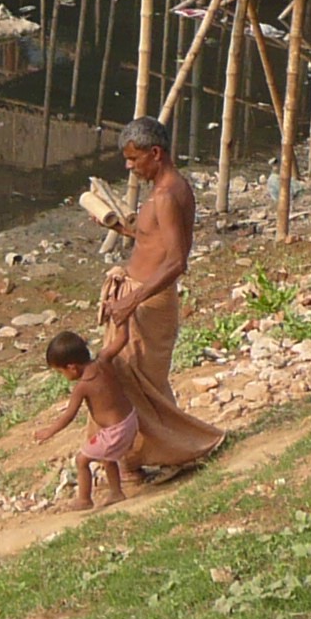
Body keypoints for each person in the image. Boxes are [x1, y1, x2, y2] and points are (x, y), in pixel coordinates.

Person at [96, 115, 227, 472]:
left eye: (133, 159)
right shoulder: (165, 188)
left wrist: (130, 300)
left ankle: (157, 458)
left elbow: (175, 261)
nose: (129, 166)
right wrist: (123, 228)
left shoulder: (168, 195)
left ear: (155, 153)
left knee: (133, 387)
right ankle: (152, 457)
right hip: (138, 296)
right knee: (137, 384)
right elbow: (152, 239)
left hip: (147, 302)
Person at [29, 330, 137, 509]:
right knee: (108, 458)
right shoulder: (103, 360)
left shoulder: (83, 386)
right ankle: (116, 492)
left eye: (60, 371)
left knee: (81, 460)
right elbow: (123, 338)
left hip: (115, 431)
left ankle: (85, 500)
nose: (63, 376)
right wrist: (122, 319)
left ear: (72, 367)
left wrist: (49, 432)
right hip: (130, 421)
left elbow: (68, 415)